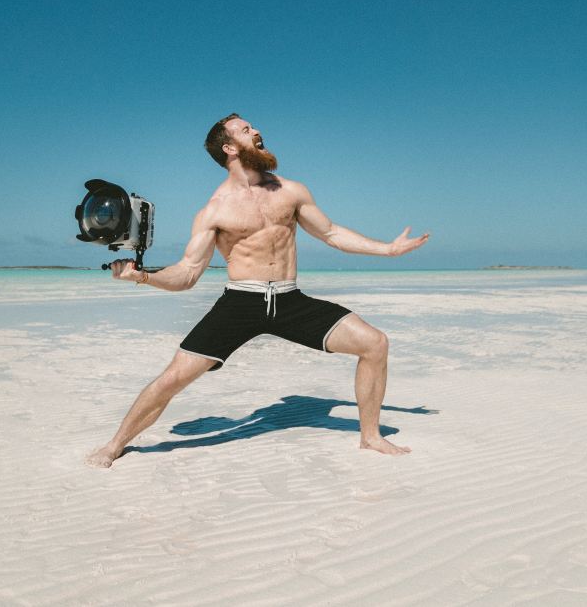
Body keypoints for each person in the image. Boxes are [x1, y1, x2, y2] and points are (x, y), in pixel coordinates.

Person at [86, 113, 429, 468]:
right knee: (172, 378)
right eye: (246, 130)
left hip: (290, 299)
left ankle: (370, 437)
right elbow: (187, 275)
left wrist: (386, 249)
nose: (257, 131)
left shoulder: (291, 191)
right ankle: (114, 445)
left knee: (375, 343)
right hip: (240, 302)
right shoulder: (214, 210)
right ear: (229, 148)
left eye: (254, 127)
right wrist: (143, 277)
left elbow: (331, 233)